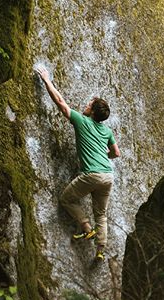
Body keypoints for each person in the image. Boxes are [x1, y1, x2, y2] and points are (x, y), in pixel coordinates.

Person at [36, 65, 120, 262]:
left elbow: (60, 102)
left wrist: (47, 80)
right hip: (108, 176)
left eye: (89, 104)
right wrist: (100, 155)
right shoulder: (107, 131)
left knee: (66, 199)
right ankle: (100, 250)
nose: (86, 105)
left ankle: (86, 228)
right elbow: (116, 153)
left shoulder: (82, 121)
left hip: (91, 174)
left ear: (91, 111)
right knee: (101, 213)